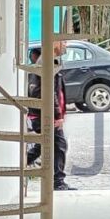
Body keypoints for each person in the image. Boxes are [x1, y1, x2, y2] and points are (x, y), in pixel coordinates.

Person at [25, 43, 74, 191]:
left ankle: (23, 163)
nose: (66, 45)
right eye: (63, 42)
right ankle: (58, 182)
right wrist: (57, 115)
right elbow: (48, 92)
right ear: (55, 43)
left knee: (46, 145)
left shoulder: (49, 60)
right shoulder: (46, 62)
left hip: (45, 114)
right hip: (46, 115)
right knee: (59, 145)